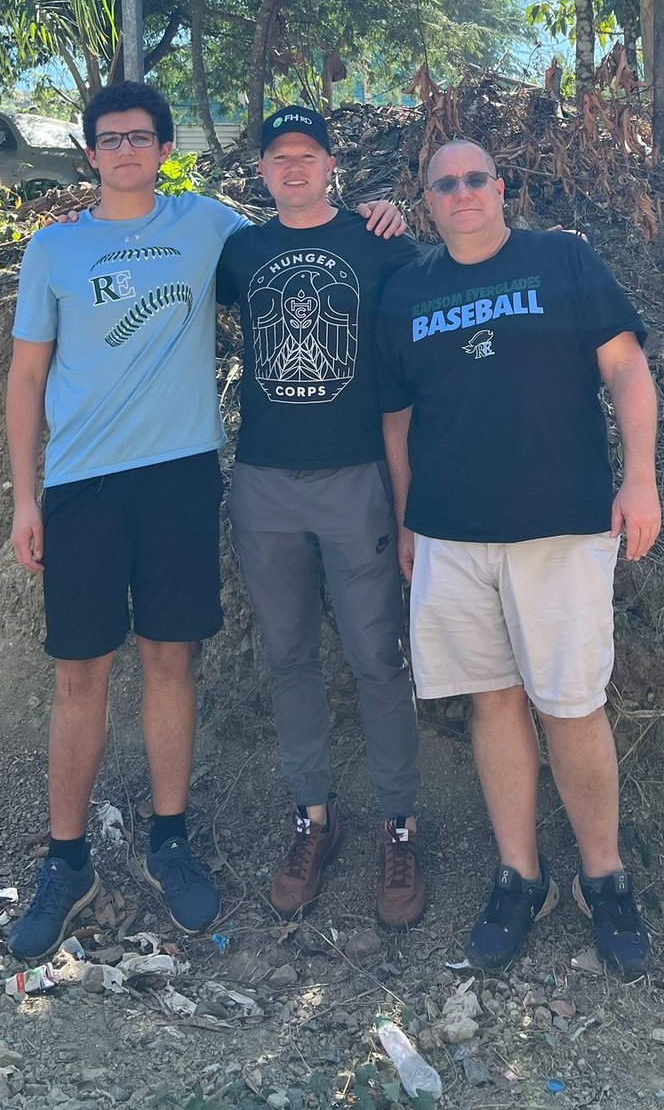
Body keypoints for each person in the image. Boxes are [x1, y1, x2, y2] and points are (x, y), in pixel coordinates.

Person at [5, 83, 402, 961]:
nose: (127, 151)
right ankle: (66, 862)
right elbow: (27, 380)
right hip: (81, 486)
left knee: (170, 660)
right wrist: (25, 496)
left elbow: (302, 224)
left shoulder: (209, 226)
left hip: (183, 475)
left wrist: (380, 211)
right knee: (79, 674)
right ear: (90, 154)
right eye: (111, 140)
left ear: (164, 147)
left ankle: (169, 842)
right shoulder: (54, 250)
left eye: (142, 137)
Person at [377, 138, 661, 978]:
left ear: (501, 189)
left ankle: (603, 879)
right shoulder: (407, 292)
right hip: (451, 537)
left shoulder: (562, 260)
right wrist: (405, 523)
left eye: (475, 179)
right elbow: (396, 423)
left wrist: (639, 481)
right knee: (493, 704)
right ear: (426, 200)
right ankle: (519, 877)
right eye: (444, 184)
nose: (461, 193)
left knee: (571, 705)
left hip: (562, 527)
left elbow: (628, 370)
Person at [215, 106, 425, 927]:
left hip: (356, 480)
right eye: (278, 157)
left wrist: (396, 211)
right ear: (262, 171)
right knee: (289, 656)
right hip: (265, 481)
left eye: (307, 155)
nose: (293, 167)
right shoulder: (240, 252)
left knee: (379, 657)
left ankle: (399, 825)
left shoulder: (378, 242)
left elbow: (433, 302)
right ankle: (314, 817)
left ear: (332, 165)